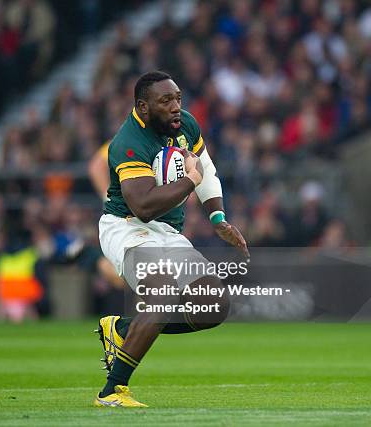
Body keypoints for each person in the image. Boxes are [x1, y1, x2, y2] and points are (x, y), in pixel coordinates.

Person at [94, 71, 248, 407]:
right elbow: (144, 206)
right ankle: (112, 391)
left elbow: (205, 167)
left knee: (214, 306)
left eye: (177, 98)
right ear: (143, 107)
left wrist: (218, 217)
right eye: (166, 101)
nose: (176, 106)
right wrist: (190, 180)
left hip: (168, 231)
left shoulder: (185, 126)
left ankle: (124, 329)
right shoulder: (129, 141)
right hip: (128, 226)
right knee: (162, 297)